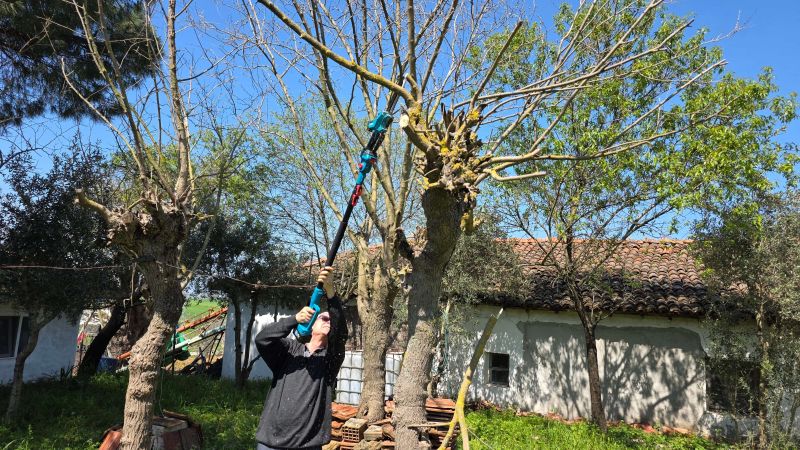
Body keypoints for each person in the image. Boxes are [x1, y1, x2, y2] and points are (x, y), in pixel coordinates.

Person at [254, 266, 347, 450]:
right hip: (271, 442)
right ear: (311, 325)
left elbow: (340, 335)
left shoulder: (328, 362)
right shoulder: (289, 351)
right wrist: (294, 319)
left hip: (307, 445)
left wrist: (331, 293)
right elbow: (263, 339)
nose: (328, 321)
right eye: (323, 318)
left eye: (330, 320)